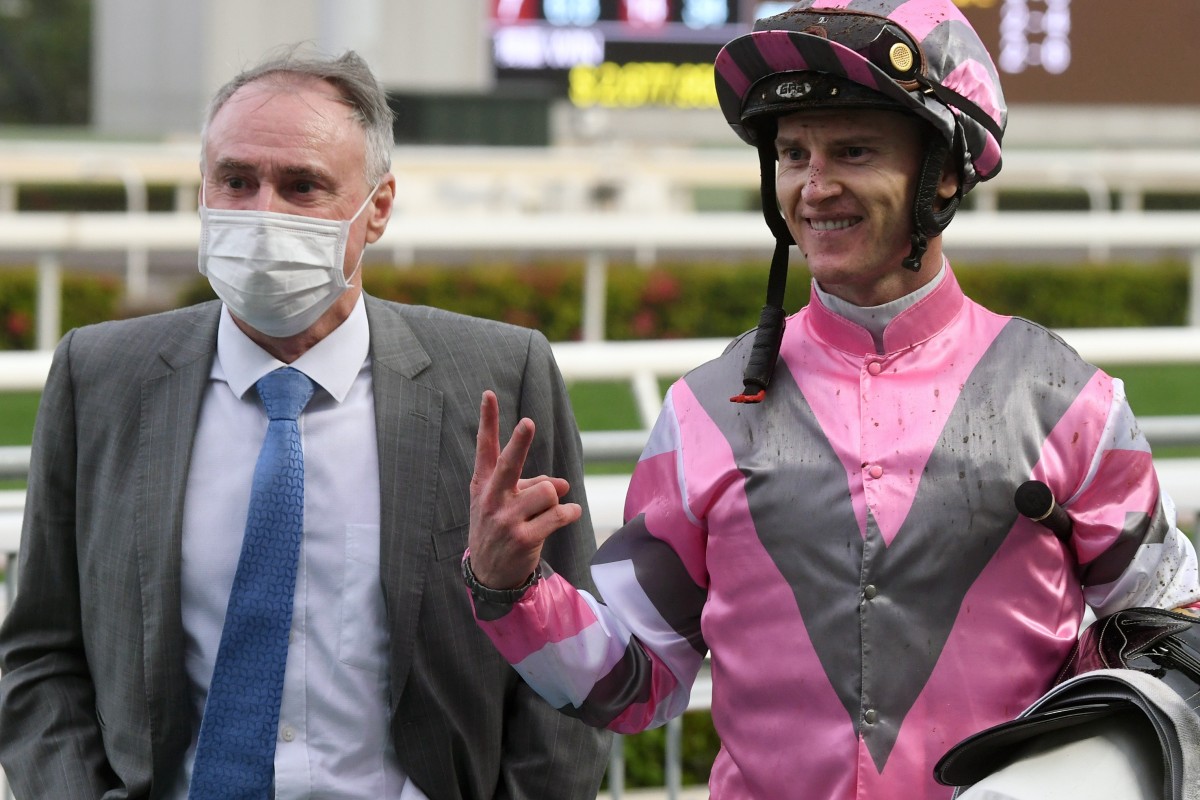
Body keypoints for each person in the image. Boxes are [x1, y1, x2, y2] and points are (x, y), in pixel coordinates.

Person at [462, 2, 1200, 799]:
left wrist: (1068, 725)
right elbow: (635, 683)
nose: (815, 188)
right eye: (792, 154)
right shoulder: (703, 412)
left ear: (944, 173)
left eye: (853, 151)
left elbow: (1172, 636)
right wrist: (511, 591)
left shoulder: (1069, 401)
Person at [0, 48, 610, 800]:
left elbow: (572, 662)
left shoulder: (497, 378)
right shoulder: (99, 379)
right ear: (203, 189)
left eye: (302, 186)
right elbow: (39, 655)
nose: (262, 214)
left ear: (377, 207)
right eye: (236, 180)